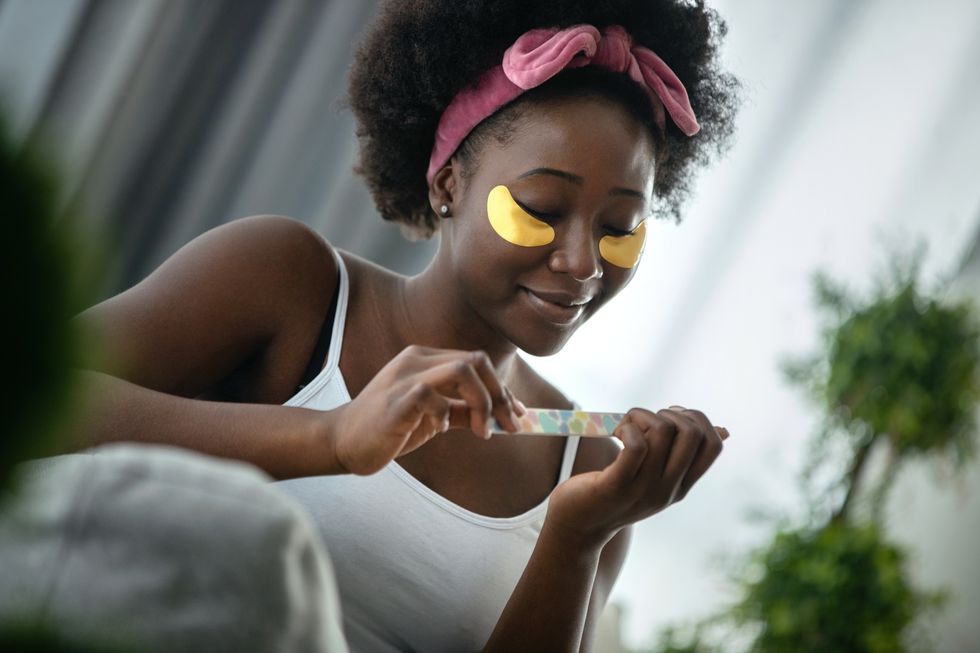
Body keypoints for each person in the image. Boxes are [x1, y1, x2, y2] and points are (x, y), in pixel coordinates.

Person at [71, 0, 740, 650]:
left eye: (620, 228)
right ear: (448, 183)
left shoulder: (589, 470)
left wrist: (576, 536)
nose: (582, 262)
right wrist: (328, 436)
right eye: (540, 208)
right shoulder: (289, 283)